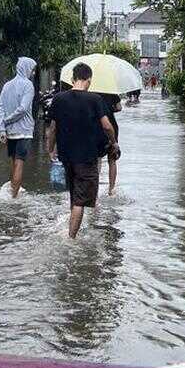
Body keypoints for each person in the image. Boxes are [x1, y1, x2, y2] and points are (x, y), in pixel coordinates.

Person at [46, 63, 120, 238]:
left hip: (66, 155)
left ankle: (71, 225)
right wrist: (114, 142)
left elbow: (52, 129)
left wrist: (50, 149)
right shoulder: (95, 100)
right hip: (86, 157)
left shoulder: (59, 99)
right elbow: (107, 126)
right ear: (88, 80)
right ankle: (71, 238)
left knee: (74, 193)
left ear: (73, 79)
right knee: (81, 200)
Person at [0, 56, 37, 198]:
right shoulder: (28, 85)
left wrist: (1, 128)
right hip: (23, 132)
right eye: (32, 69)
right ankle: (13, 198)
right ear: (27, 69)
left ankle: (13, 191)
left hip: (10, 132)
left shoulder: (7, 85)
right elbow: (23, 109)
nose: (33, 73)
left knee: (13, 162)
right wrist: (7, 121)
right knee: (19, 164)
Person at [96, 92, 122, 196]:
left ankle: (95, 189)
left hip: (97, 127)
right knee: (112, 159)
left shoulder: (93, 95)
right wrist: (110, 109)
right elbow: (119, 107)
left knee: (97, 159)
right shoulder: (112, 92)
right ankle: (111, 189)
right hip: (112, 127)